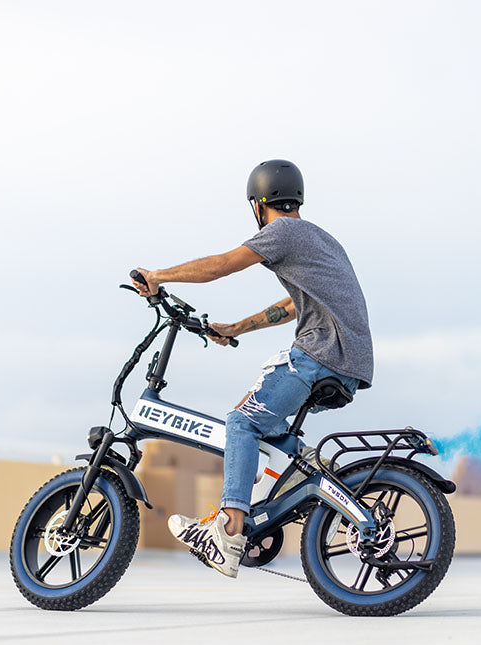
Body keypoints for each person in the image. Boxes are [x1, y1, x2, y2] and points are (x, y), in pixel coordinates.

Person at [131, 159, 374, 577]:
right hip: (349, 363)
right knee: (266, 425)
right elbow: (293, 305)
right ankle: (308, 476)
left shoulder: (283, 232)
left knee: (241, 424)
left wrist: (157, 275)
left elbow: (221, 264)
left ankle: (228, 532)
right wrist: (238, 327)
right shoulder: (321, 239)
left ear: (258, 204)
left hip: (318, 355)